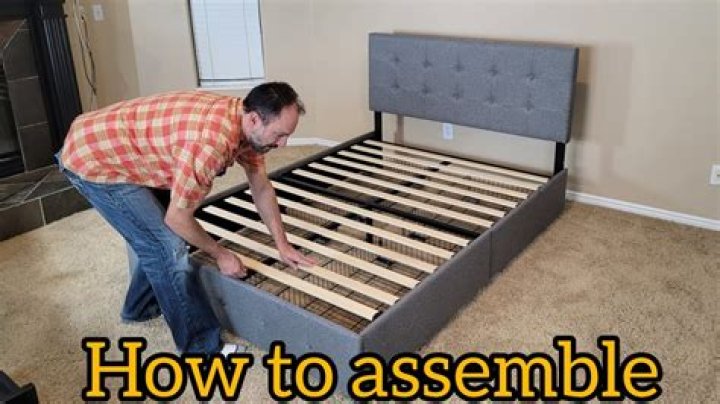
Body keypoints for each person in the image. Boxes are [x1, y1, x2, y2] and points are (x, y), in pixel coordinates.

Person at [57, 82, 315, 354]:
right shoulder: (210, 144)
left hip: (130, 150)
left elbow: (261, 187)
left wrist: (282, 244)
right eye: (279, 135)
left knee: (155, 237)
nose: (283, 144)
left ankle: (140, 308)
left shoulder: (250, 129)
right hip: (93, 157)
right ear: (254, 119)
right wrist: (221, 254)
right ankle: (201, 351)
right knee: (167, 246)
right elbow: (177, 219)